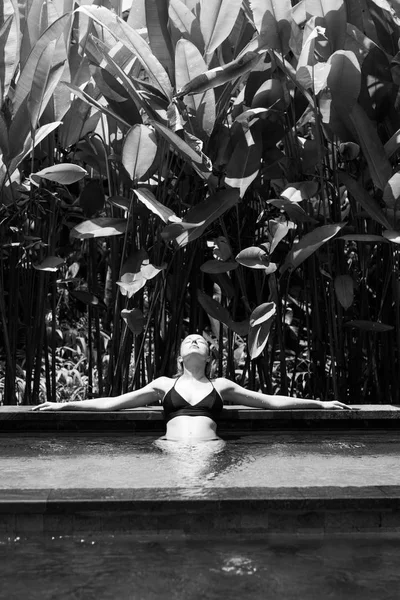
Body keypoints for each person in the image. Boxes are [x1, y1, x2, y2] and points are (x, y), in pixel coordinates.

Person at [32, 333, 351, 441]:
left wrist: (321, 404)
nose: (195, 341)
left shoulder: (221, 385)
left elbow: (268, 401)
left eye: (200, 340)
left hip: (210, 449)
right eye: (189, 340)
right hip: (169, 449)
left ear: (209, 356)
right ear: (181, 356)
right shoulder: (162, 384)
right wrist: (62, 405)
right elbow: (113, 402)